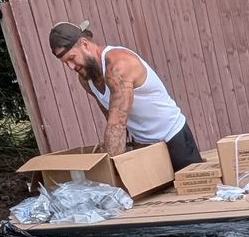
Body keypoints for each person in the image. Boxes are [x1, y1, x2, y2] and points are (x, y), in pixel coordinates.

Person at [48, 20, 202, 171]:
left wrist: (108, 171)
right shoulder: (86, 79)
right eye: (65, 63)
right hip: (145, 146)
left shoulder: (119, 65)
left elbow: (118, 123)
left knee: (196, 192)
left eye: (72, 58)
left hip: (174, 137)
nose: (71, 67)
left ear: (85, 44)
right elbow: (109, 114)